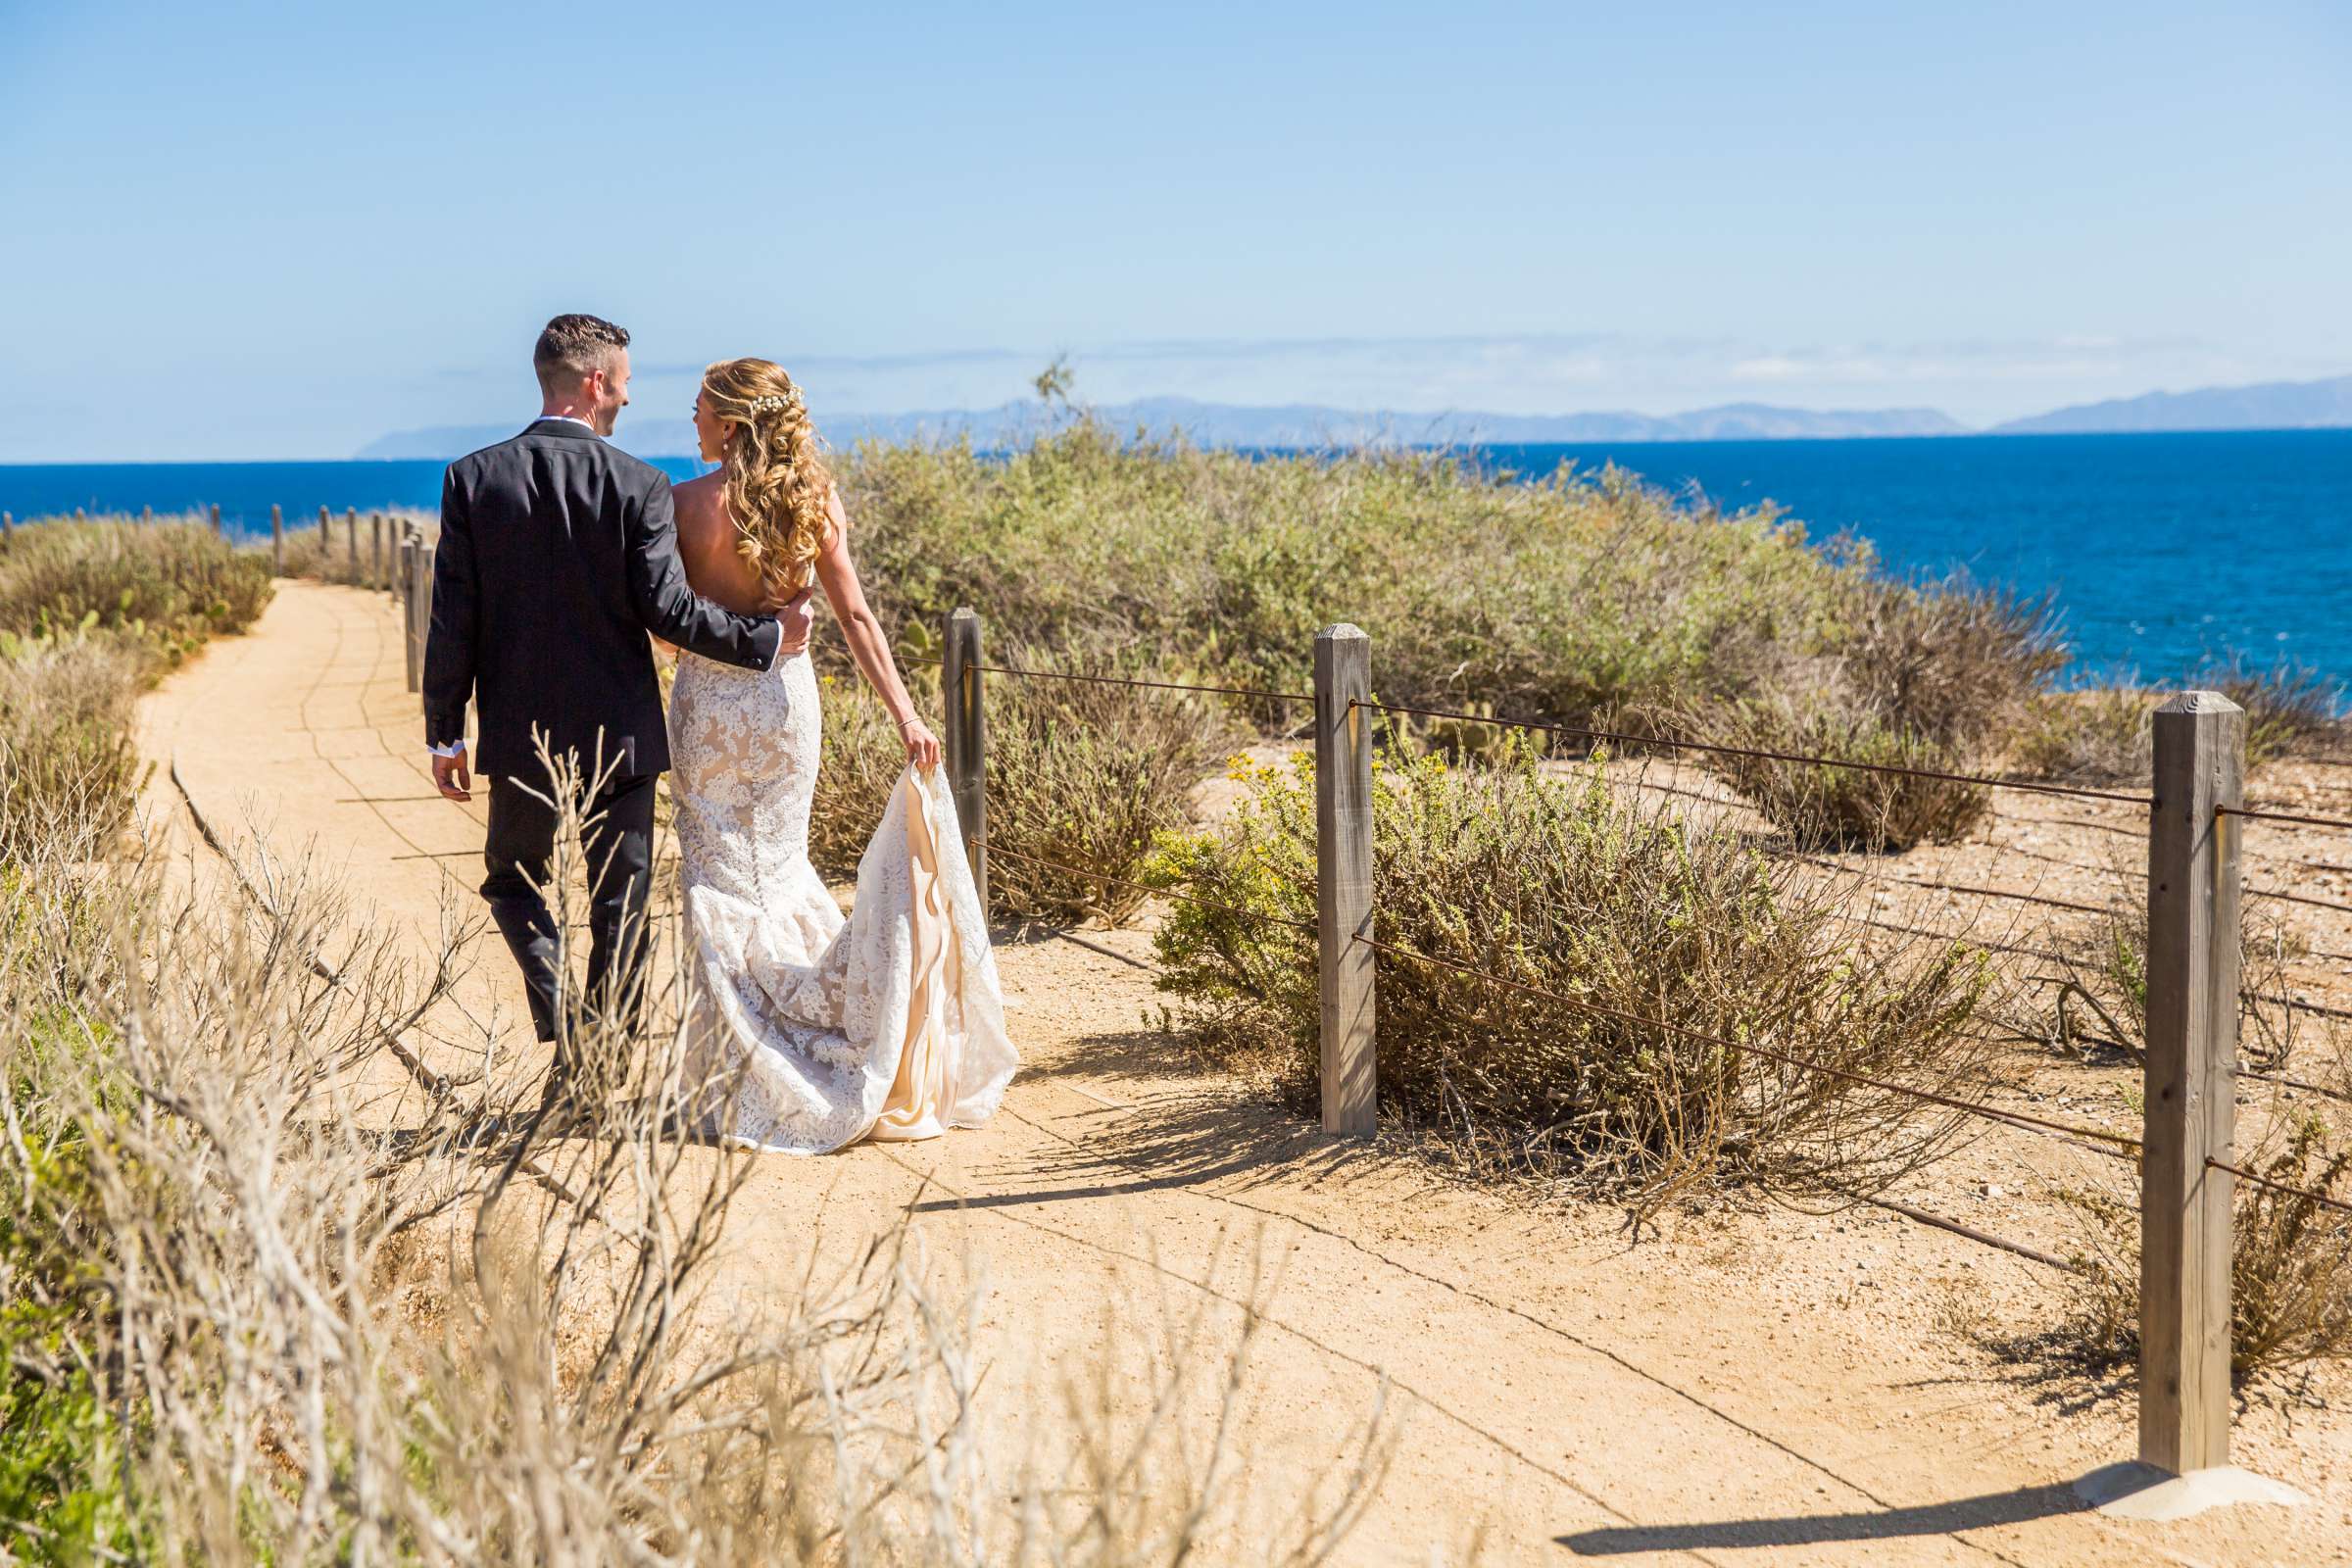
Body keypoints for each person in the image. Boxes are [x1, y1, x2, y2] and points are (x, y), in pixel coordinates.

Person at [421, 315, 814, 1113]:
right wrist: (765, 640)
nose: (631, 395)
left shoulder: (473, 478)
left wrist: (444, 728)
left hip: (520, 733)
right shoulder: (640, 485)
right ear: (597, 382)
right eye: (626, 381)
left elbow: (452, 616)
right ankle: (597, 1067)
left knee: (512, 882)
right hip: (624, 733)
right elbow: (669, 612)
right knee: (620, 907)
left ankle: (566, 1025)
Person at [664, 356, 1015, 1152]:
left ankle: (741, 1072)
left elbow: (665, 618)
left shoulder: (681, 504)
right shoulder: (812, 502)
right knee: (782, 865)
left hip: (709, 709)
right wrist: (906, 714)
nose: (690, 420)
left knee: (718, 874)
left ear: (729, 421)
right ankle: (821, 1028)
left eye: (699, 408)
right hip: (789, 706)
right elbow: (854, 616)